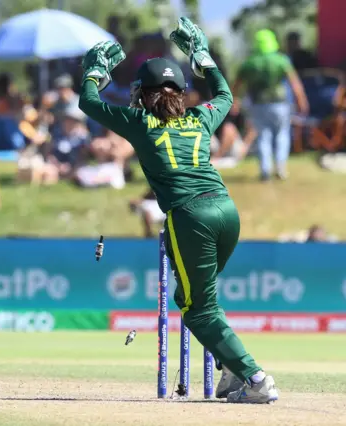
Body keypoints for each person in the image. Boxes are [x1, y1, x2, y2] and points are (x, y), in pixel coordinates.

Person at [78, 18, 279, 404]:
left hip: (191, 218)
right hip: (227, 212)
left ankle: (255, 378)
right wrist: (203, 58)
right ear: (180, 92)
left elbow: (89, 102)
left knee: (196, 310)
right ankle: (233, 375)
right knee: (200, 301)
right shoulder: (200, 117)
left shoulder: (140, 122)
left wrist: (94, 72)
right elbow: (225, 96)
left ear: (142, 93)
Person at [232, 29, 309, 181]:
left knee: (263, 136)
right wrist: (302, 101)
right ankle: (280, 166)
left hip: (258, 105)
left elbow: (236, 85)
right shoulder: (281, 60)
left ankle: (265, 170)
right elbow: (295, 84)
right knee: (282, 133)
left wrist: (233, 100)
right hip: (280, 104)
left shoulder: (249, 63)